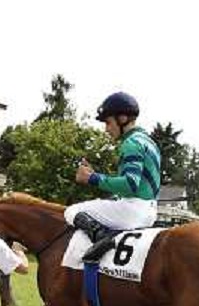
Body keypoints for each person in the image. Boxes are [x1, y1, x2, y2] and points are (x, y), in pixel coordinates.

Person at [64, 92, 161, 262]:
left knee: (72, 211)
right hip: (150, 210)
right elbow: (138, 187)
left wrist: (92, 178)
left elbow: (130, 184)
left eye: (108, 123)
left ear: (123, 119)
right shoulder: (149, 142)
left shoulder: (131, 143)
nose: (106, 129)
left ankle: (102, 239)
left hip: (133, 210)